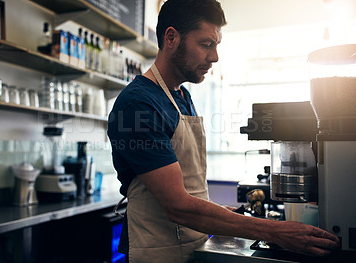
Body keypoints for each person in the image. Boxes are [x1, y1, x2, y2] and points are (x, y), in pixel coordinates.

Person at [107, 0, 340, 262]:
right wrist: (278, 231)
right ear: (171, 38)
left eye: (216, 45)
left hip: (193, 244)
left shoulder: (182, 96)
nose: (215, 56)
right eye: (206, 44)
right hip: (158, 251)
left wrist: (221, 213)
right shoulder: (139, 104)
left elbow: (186, 188)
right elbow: (178, 207)